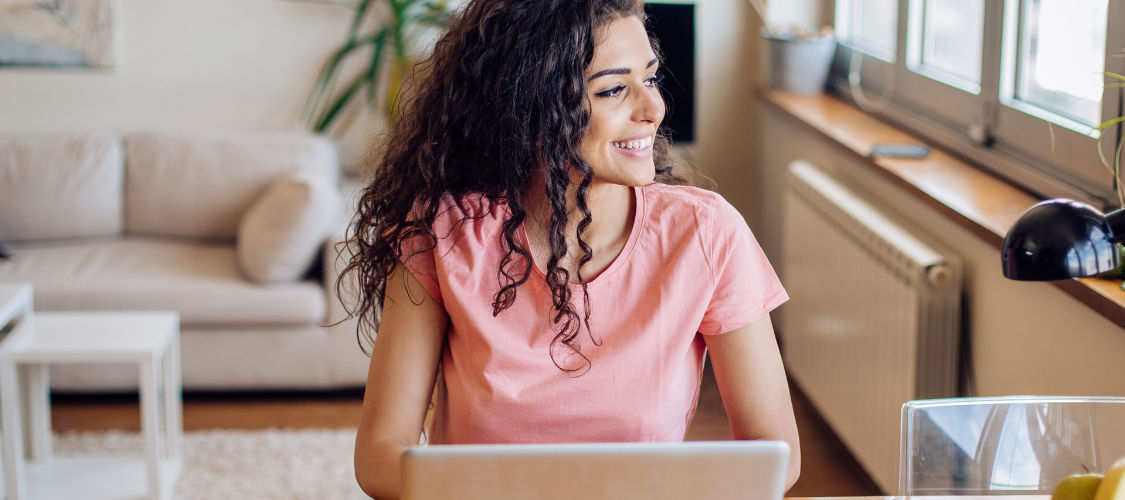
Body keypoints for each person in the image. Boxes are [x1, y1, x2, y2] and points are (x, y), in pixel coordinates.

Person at [341, 0, 800, 497]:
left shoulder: (707, 234)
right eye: (613, 89)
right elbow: (380, 452)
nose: (653, 109)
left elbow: (776, 455)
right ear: (531, 104)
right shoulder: (446, 230)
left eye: (650, 78)